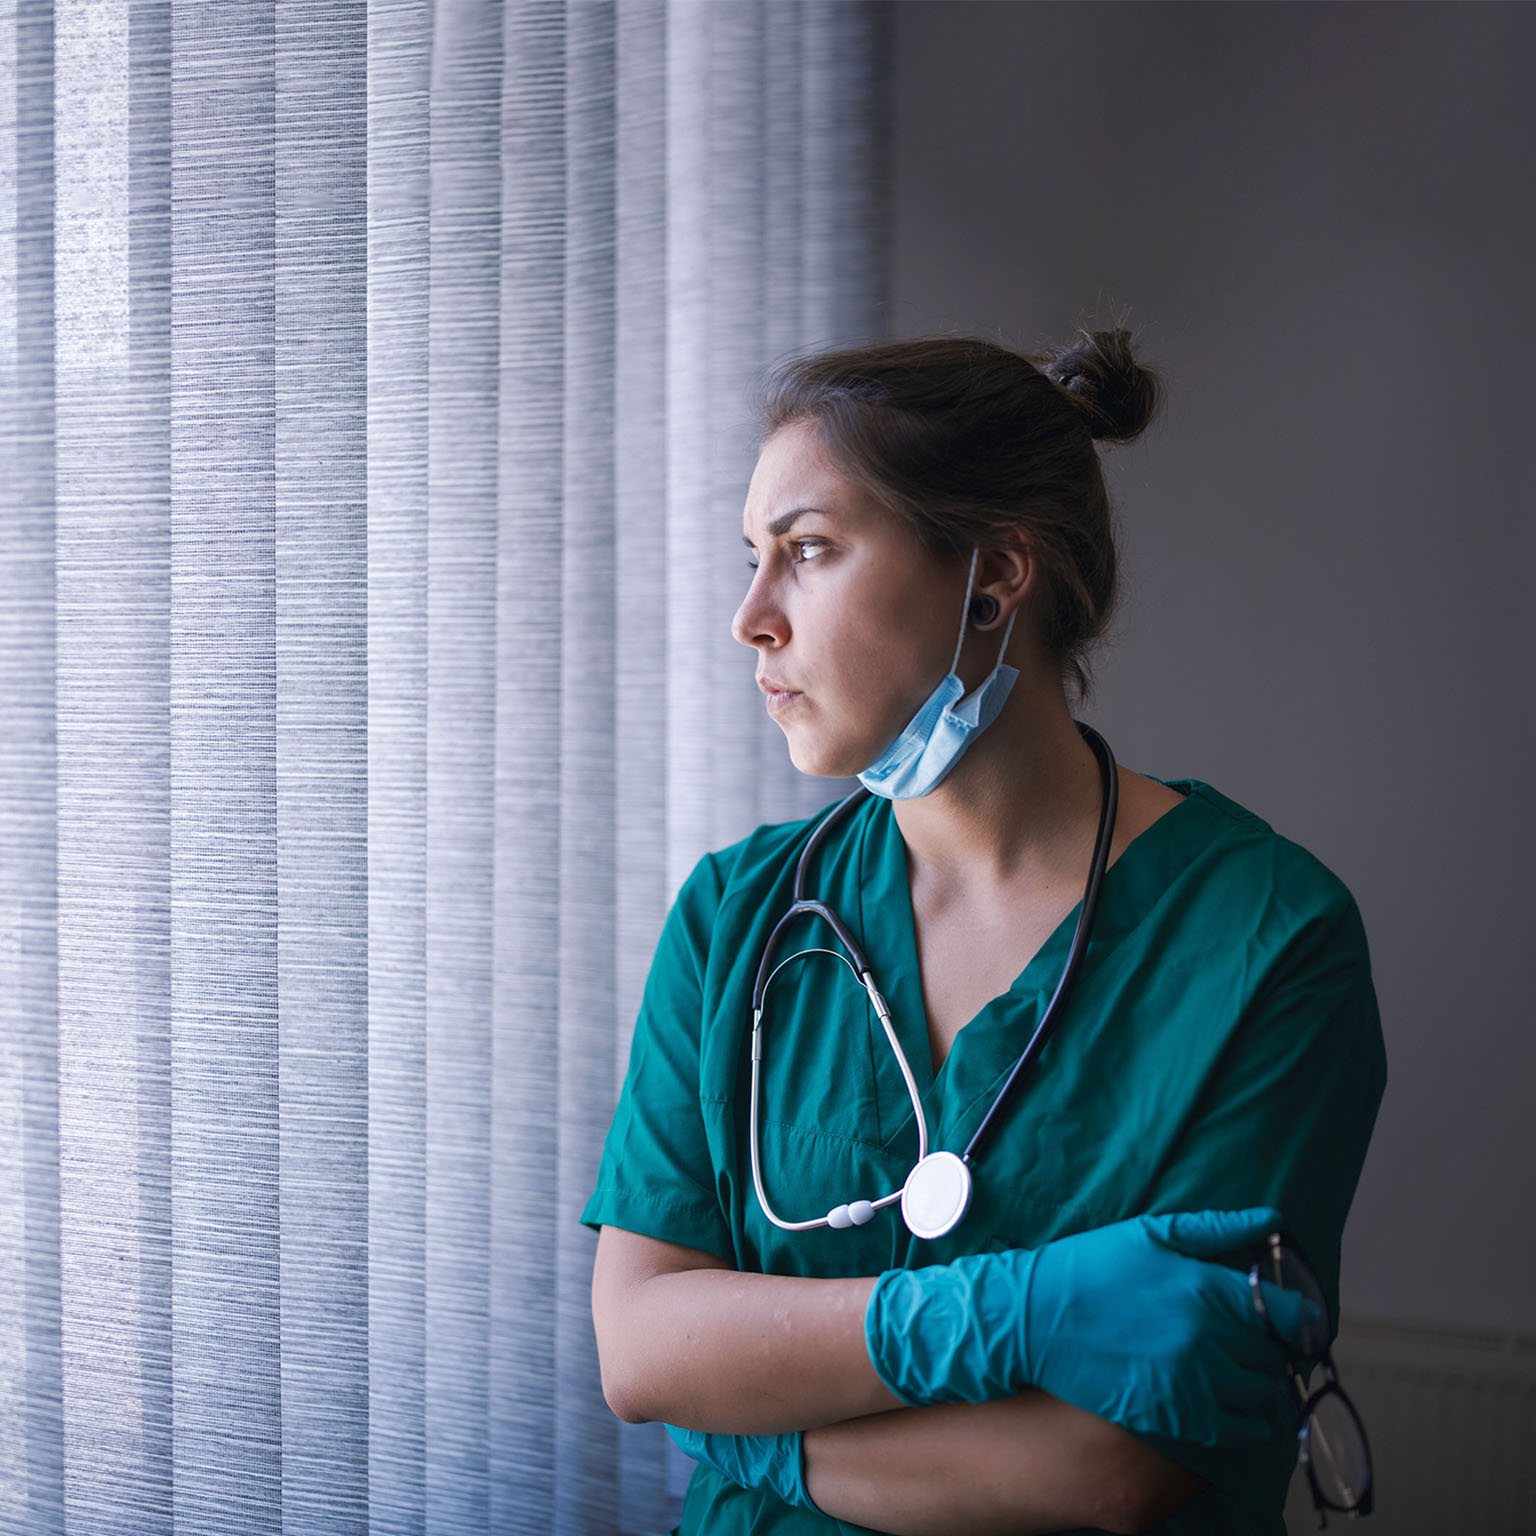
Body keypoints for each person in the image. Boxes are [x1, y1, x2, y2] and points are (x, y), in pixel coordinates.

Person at [582, 330, 1387, 1536]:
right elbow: (641, 1352)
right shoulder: (736, 916)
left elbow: (1110, 1472)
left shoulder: (1269, 940)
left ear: (995, 578)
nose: (751, 617)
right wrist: (1026, 1309)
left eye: (806, 552)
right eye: (750, 560)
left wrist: (750, 1436)